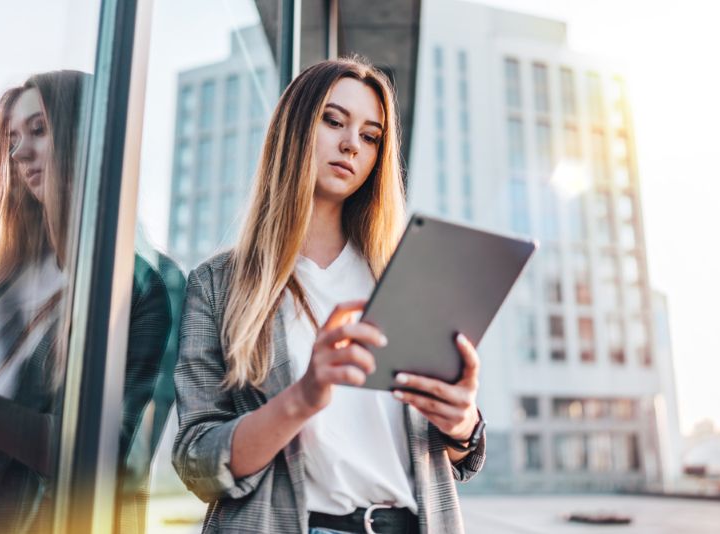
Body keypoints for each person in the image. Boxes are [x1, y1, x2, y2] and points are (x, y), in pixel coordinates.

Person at [172, 57, 486, 534]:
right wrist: (302, 398)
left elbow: (457, 455)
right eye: (333, 120)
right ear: (293, 130)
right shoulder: (218, 284)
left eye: (370, 135)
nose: (350, 145)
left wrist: (462, 420)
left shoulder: (403, 276)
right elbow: (197, 462)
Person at [0, 71, 177, 533]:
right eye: (12, 137)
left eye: (39, 130)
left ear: (85, 137)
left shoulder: (149, 285)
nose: (19, 152)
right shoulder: (5, 280)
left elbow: (106, 459)